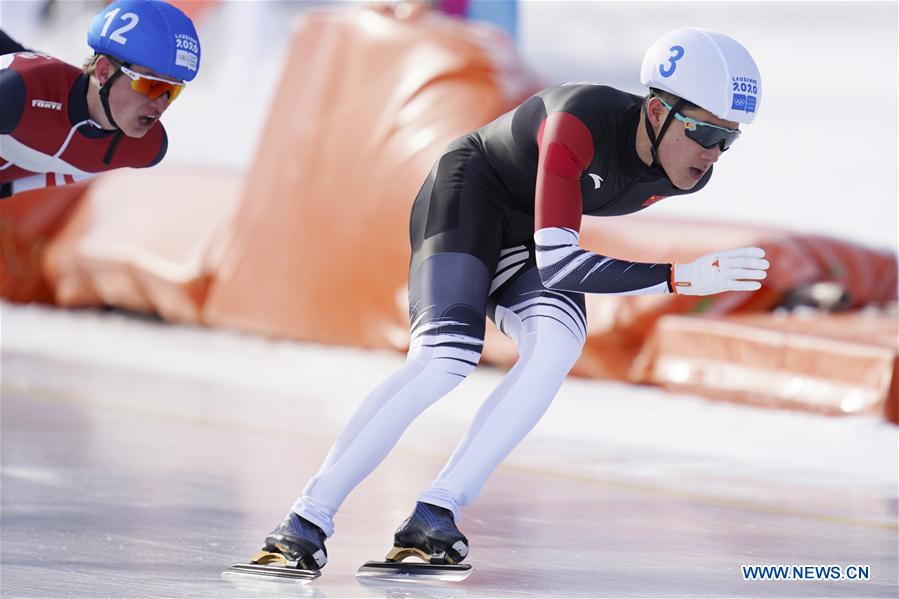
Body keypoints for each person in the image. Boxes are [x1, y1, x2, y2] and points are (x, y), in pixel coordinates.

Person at [261, 27, 770, 572]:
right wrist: (679, 278)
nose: (713, 155)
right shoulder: (579, 121)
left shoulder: (687, 176)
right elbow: (560, 264)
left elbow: (556, 248)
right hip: (467, 197)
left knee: (557, 344)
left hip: (528, 229)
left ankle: (436, 513)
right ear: (656, 111)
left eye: (728, 140)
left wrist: (675, 275)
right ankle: (305, 519)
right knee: (444, 359)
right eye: (705, 133)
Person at [0, 0, 200, 199]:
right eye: (152, 85)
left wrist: (10, 189)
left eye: (172, 91)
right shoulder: (20, 96)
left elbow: (75, 163)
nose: (162, 104)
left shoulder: (148, 147)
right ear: (104, 72)